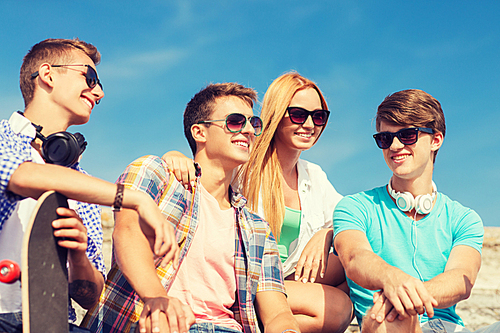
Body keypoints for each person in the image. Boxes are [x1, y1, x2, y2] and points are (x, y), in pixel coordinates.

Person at [82, 83, 300, 333]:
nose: (249, 130)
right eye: (236, 122)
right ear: (199, 132)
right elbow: (127, 233)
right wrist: (158, 300)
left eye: (254, 123)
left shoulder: (257, 229)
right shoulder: (155, 173)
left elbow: (277, 312)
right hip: (151, 323)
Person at [0, 38, 178, 333]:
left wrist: (78, 254)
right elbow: (21, 176)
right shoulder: (4, 140)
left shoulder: (83, 187)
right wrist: (134, 199)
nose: (100, 92)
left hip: (56, 323)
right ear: (48, 74)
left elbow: (91, 293)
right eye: (90, 77)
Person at [163, 72, 353, 333]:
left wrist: (326, 232)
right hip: (248, 280)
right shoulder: (245, 163)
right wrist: (173, 155)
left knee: (350, 265)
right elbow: (204, 169)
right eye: (299, 114)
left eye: (318, 116)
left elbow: (349, 216)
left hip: (282, 280)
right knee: (337, 307)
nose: (310, 124)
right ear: (277, 114)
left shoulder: (313, 175)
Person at [332, 89, 486, 332]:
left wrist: (405, 293)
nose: (394, 145)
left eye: (408, 135)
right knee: (398, 319)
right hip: (387, 321)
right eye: (385, 138)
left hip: (449, 327)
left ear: (436, 139)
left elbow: (461, 279)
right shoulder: (355, 207)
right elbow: (354, 257)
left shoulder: (464, 219)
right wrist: (390, 279)